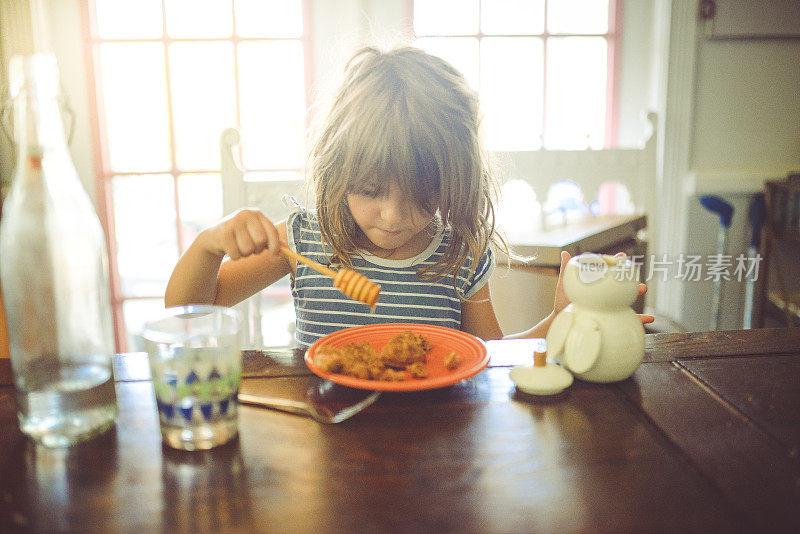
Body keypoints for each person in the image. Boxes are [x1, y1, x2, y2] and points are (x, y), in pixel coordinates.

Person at [165, 45, 652, 347]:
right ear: (338, 173)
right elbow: (186, 310)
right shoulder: (305, 241)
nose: (393, 216)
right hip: (324, 435)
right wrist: (209, 244)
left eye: (423, 194)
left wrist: (562, 319)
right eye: (371, 191)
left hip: (434, 447)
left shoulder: (459, 254)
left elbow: (492, 358)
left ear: (455, 181)